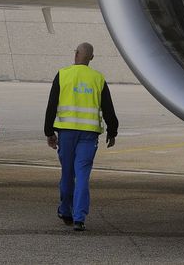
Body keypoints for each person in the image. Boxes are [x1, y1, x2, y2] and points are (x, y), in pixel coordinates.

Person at [44, 42, 119, 232]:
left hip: (67, 133)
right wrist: (112, 131)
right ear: (91, 58)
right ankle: (79, 218)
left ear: (76, 54)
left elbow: (51, 105)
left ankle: (65, 210)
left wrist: (49, 132)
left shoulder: (63, 75)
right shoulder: (98, 79)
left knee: (67, 174)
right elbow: (108, 109)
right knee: (83, 175)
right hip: (89, 134)